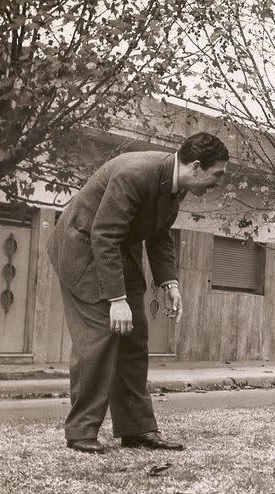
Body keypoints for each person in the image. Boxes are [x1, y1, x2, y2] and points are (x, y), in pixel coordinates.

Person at [47, 132, 229, 454]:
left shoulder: (177, 186)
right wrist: (117, 300)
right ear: (197, 167)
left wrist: (169, 284)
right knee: (101, 336)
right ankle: (81, 432)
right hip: (83, 248)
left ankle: (138, 429)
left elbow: (159, 237)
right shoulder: (135, 174)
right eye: (216, 176)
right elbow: (103, 235)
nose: (218, 184)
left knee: (135, 335)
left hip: (117, 250)